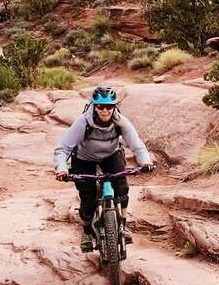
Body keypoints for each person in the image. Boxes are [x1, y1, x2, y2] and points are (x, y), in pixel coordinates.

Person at [53, 86, 155, 252]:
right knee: (88, 196)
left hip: (111, 155)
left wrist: (145, 162)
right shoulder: (83, 122)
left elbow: (137, 145)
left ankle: (122, 225)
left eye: (109, 106)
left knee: (122, 188)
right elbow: (63, 148)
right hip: (84, 159)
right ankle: (87, 231)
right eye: (100, 106)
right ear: (94, 106)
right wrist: (62, 168)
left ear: (114, 106)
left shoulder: (120, 121)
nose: (105, 110)